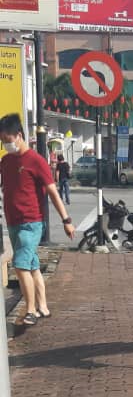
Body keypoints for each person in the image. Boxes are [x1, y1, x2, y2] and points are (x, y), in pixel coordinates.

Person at [0, 114, 75, 325]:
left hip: (31, 222)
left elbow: (53, 192)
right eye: (2, 140)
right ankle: (43, 307)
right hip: (13, 221)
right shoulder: (5, 161)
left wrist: (66, 220)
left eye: (8, 139)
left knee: (20, 265)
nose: (6, 144)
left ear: (19, 135)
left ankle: (30, 310)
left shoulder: (36, 161)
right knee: (31, 266)